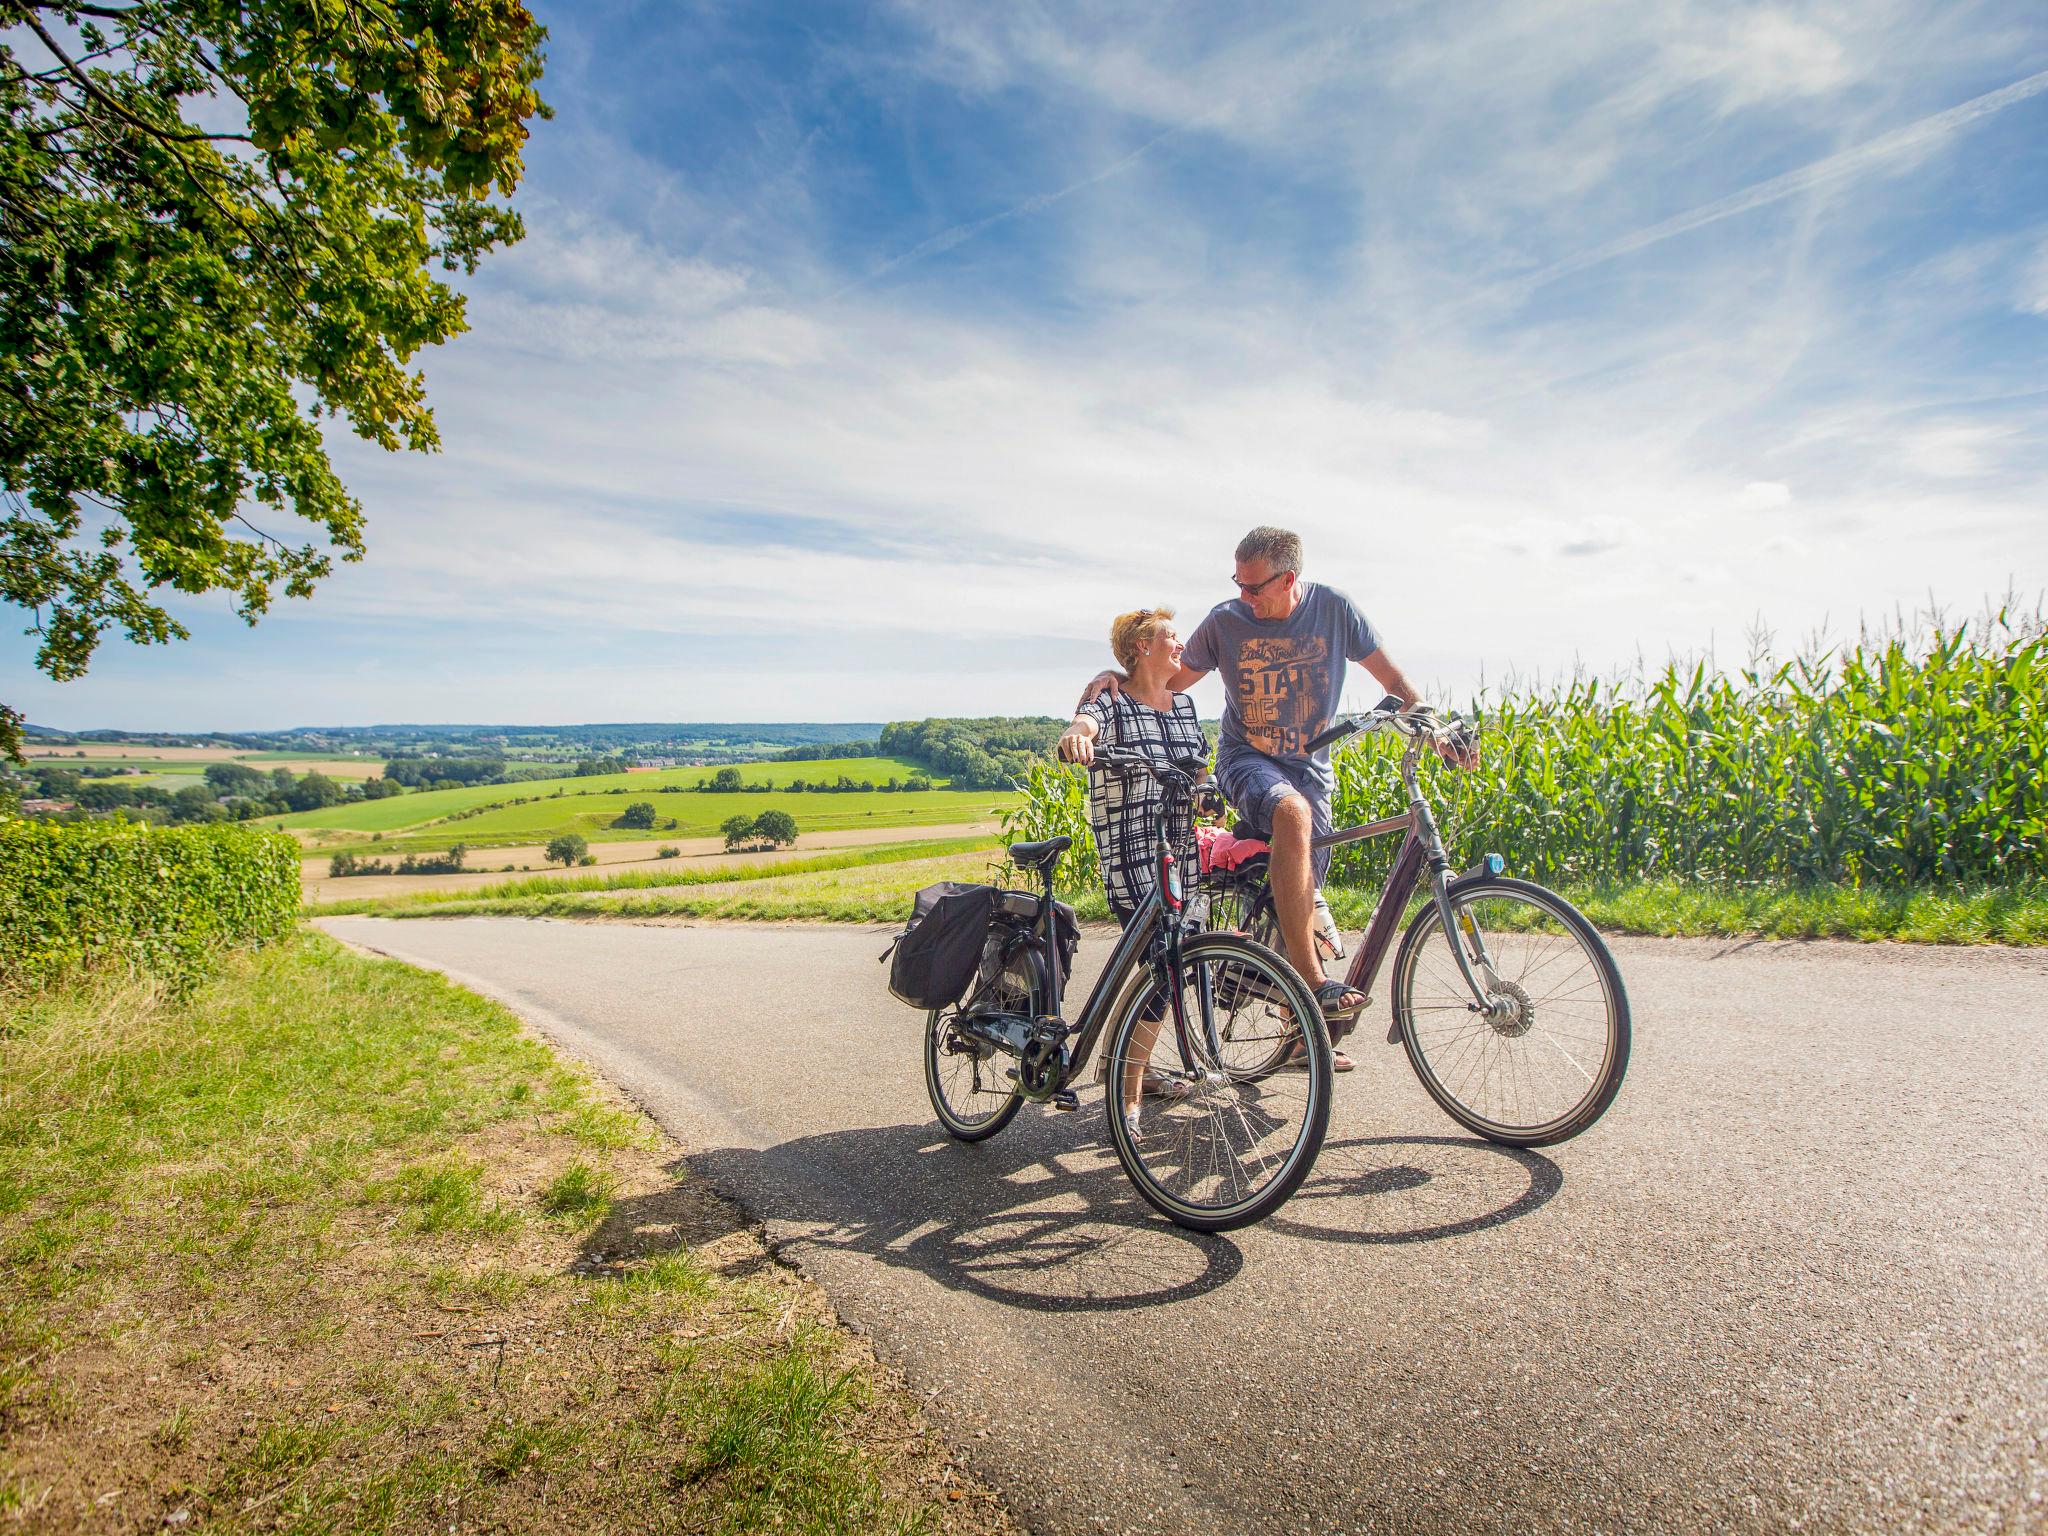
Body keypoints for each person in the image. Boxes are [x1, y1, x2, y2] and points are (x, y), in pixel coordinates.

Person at [1084, 526, 1466, 1071]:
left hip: (1312, 772)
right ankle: (1312, 986)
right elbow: (1168, 683)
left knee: (1304, 896)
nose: (1243, 596)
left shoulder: (1335, 610)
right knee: (1291, 813)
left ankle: (1295, 1038)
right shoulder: (1224, 622)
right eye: (1237, 584)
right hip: (1247, 762)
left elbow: (1392, 678)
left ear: (1289, 579)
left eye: (1253, 587)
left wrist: (1431, 724)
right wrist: (1113, 678)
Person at [1057, 606, 1206, 1137]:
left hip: (1181, 853)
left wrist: (1208, 796)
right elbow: (1087, 720)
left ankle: (1123, 1060)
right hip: (1133, 851)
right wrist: (1079, 732)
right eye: (1171, 637)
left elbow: (1199, 769)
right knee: (1162, 967)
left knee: (1176, 965)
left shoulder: (1185, 707)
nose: (1181, 644)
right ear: (1143, 647)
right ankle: (1128, 1093)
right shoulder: (1112, 700)